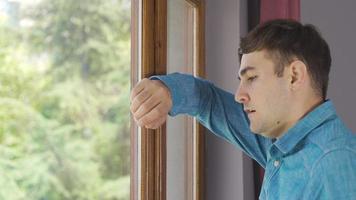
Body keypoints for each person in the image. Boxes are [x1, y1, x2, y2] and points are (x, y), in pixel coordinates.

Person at [130, 19, 356, 199]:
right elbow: (208, 102)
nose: (240, 95)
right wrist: (167, 91)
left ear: (294, 76)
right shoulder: (285, 143)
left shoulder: (332, 165)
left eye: (252, 78)